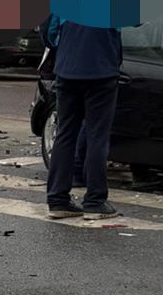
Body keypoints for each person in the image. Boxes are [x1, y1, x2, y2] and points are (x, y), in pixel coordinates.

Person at [44, 16, 124, 221]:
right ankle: (95, 201)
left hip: (67, 68)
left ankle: (57, 200)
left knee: (65, 134)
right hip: (101, 68)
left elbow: (49, 31)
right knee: (97, 135)